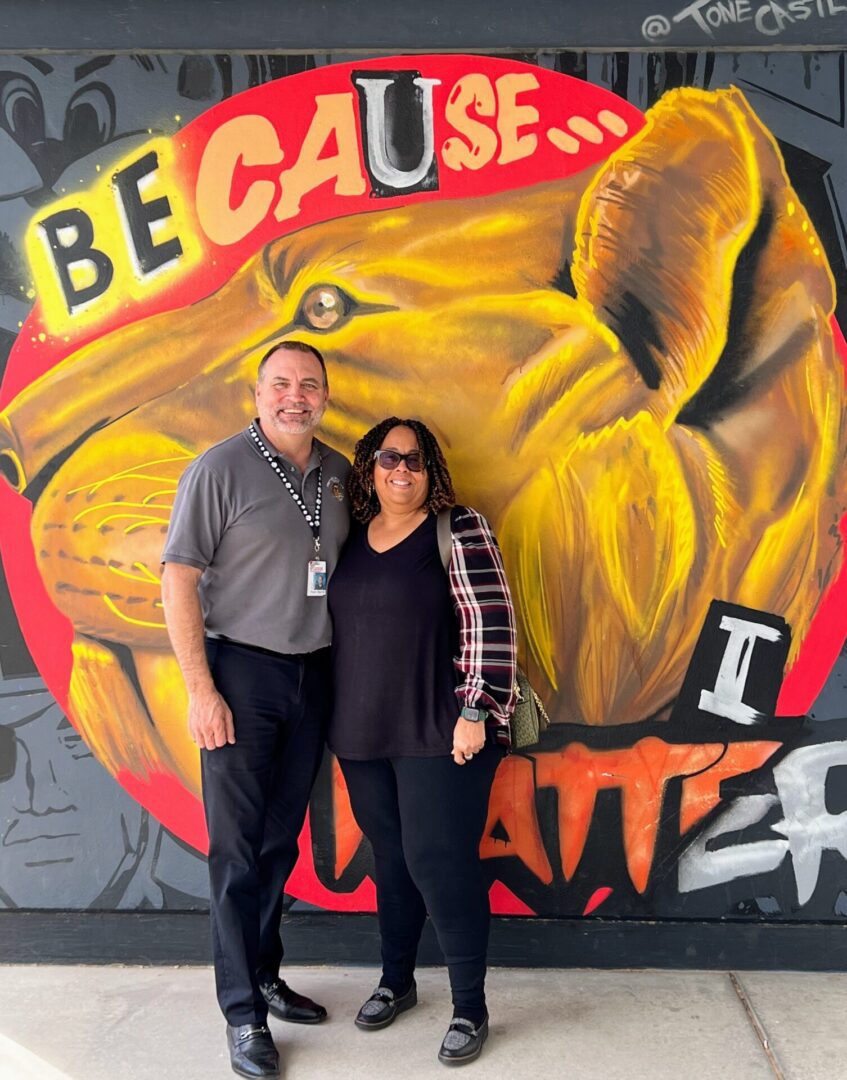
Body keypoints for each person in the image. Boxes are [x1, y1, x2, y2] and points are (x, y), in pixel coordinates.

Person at [160, 340, 350, 1079]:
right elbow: (178, 579)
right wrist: (201, 689)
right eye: (280, 383)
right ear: (258, 392)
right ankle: (242, 1015)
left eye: (308, 384)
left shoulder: (338, 473)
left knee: (279, 843)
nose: (293, 395)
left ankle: (266, 974)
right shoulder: (219, 469)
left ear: (325, 394)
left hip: (314, 675)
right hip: (240, 672)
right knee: (236, 851)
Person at [327, 417, 516, 1067]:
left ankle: (469, 1007)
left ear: (431, 471)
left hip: (442, 728)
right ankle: (396, 981)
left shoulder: (457, 528)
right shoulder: (347, 537)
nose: (399, 470)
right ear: (367, 468)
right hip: (360, 730)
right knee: (393, 860)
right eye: (387, 458)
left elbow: (491, 622)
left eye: (414, 460)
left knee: (441, 862)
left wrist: (476, 710)